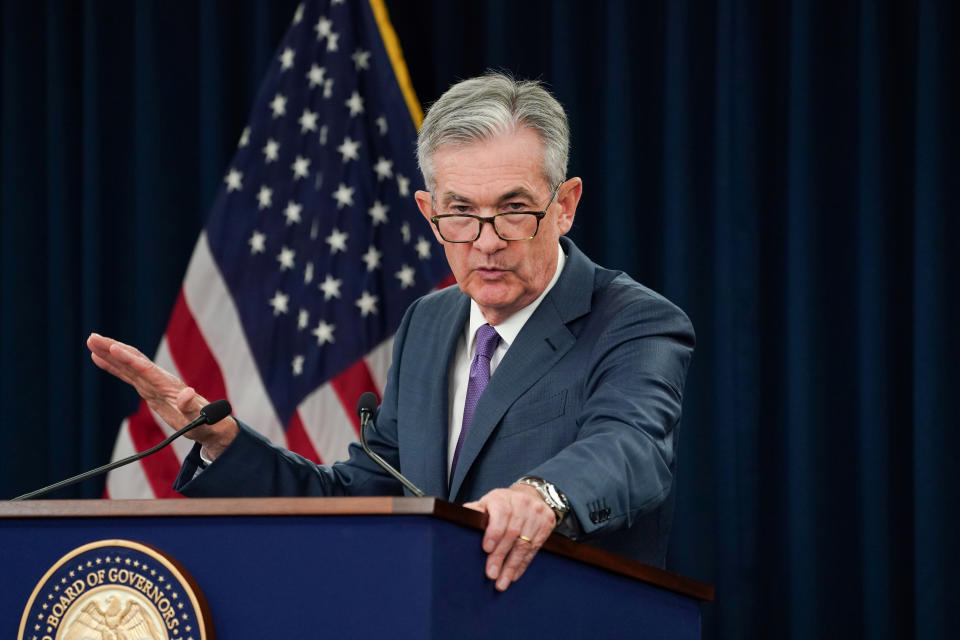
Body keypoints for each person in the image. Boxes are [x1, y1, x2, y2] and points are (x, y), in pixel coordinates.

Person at [87, 73, 694, 592]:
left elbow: (631, 446)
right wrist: (222, 441)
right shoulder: (428, 324)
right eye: (460, 213)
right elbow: (362, 498)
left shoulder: (633, 320)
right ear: (430, 213)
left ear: (564, 204)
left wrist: (542, 496)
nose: (485, 241)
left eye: (513, 210)